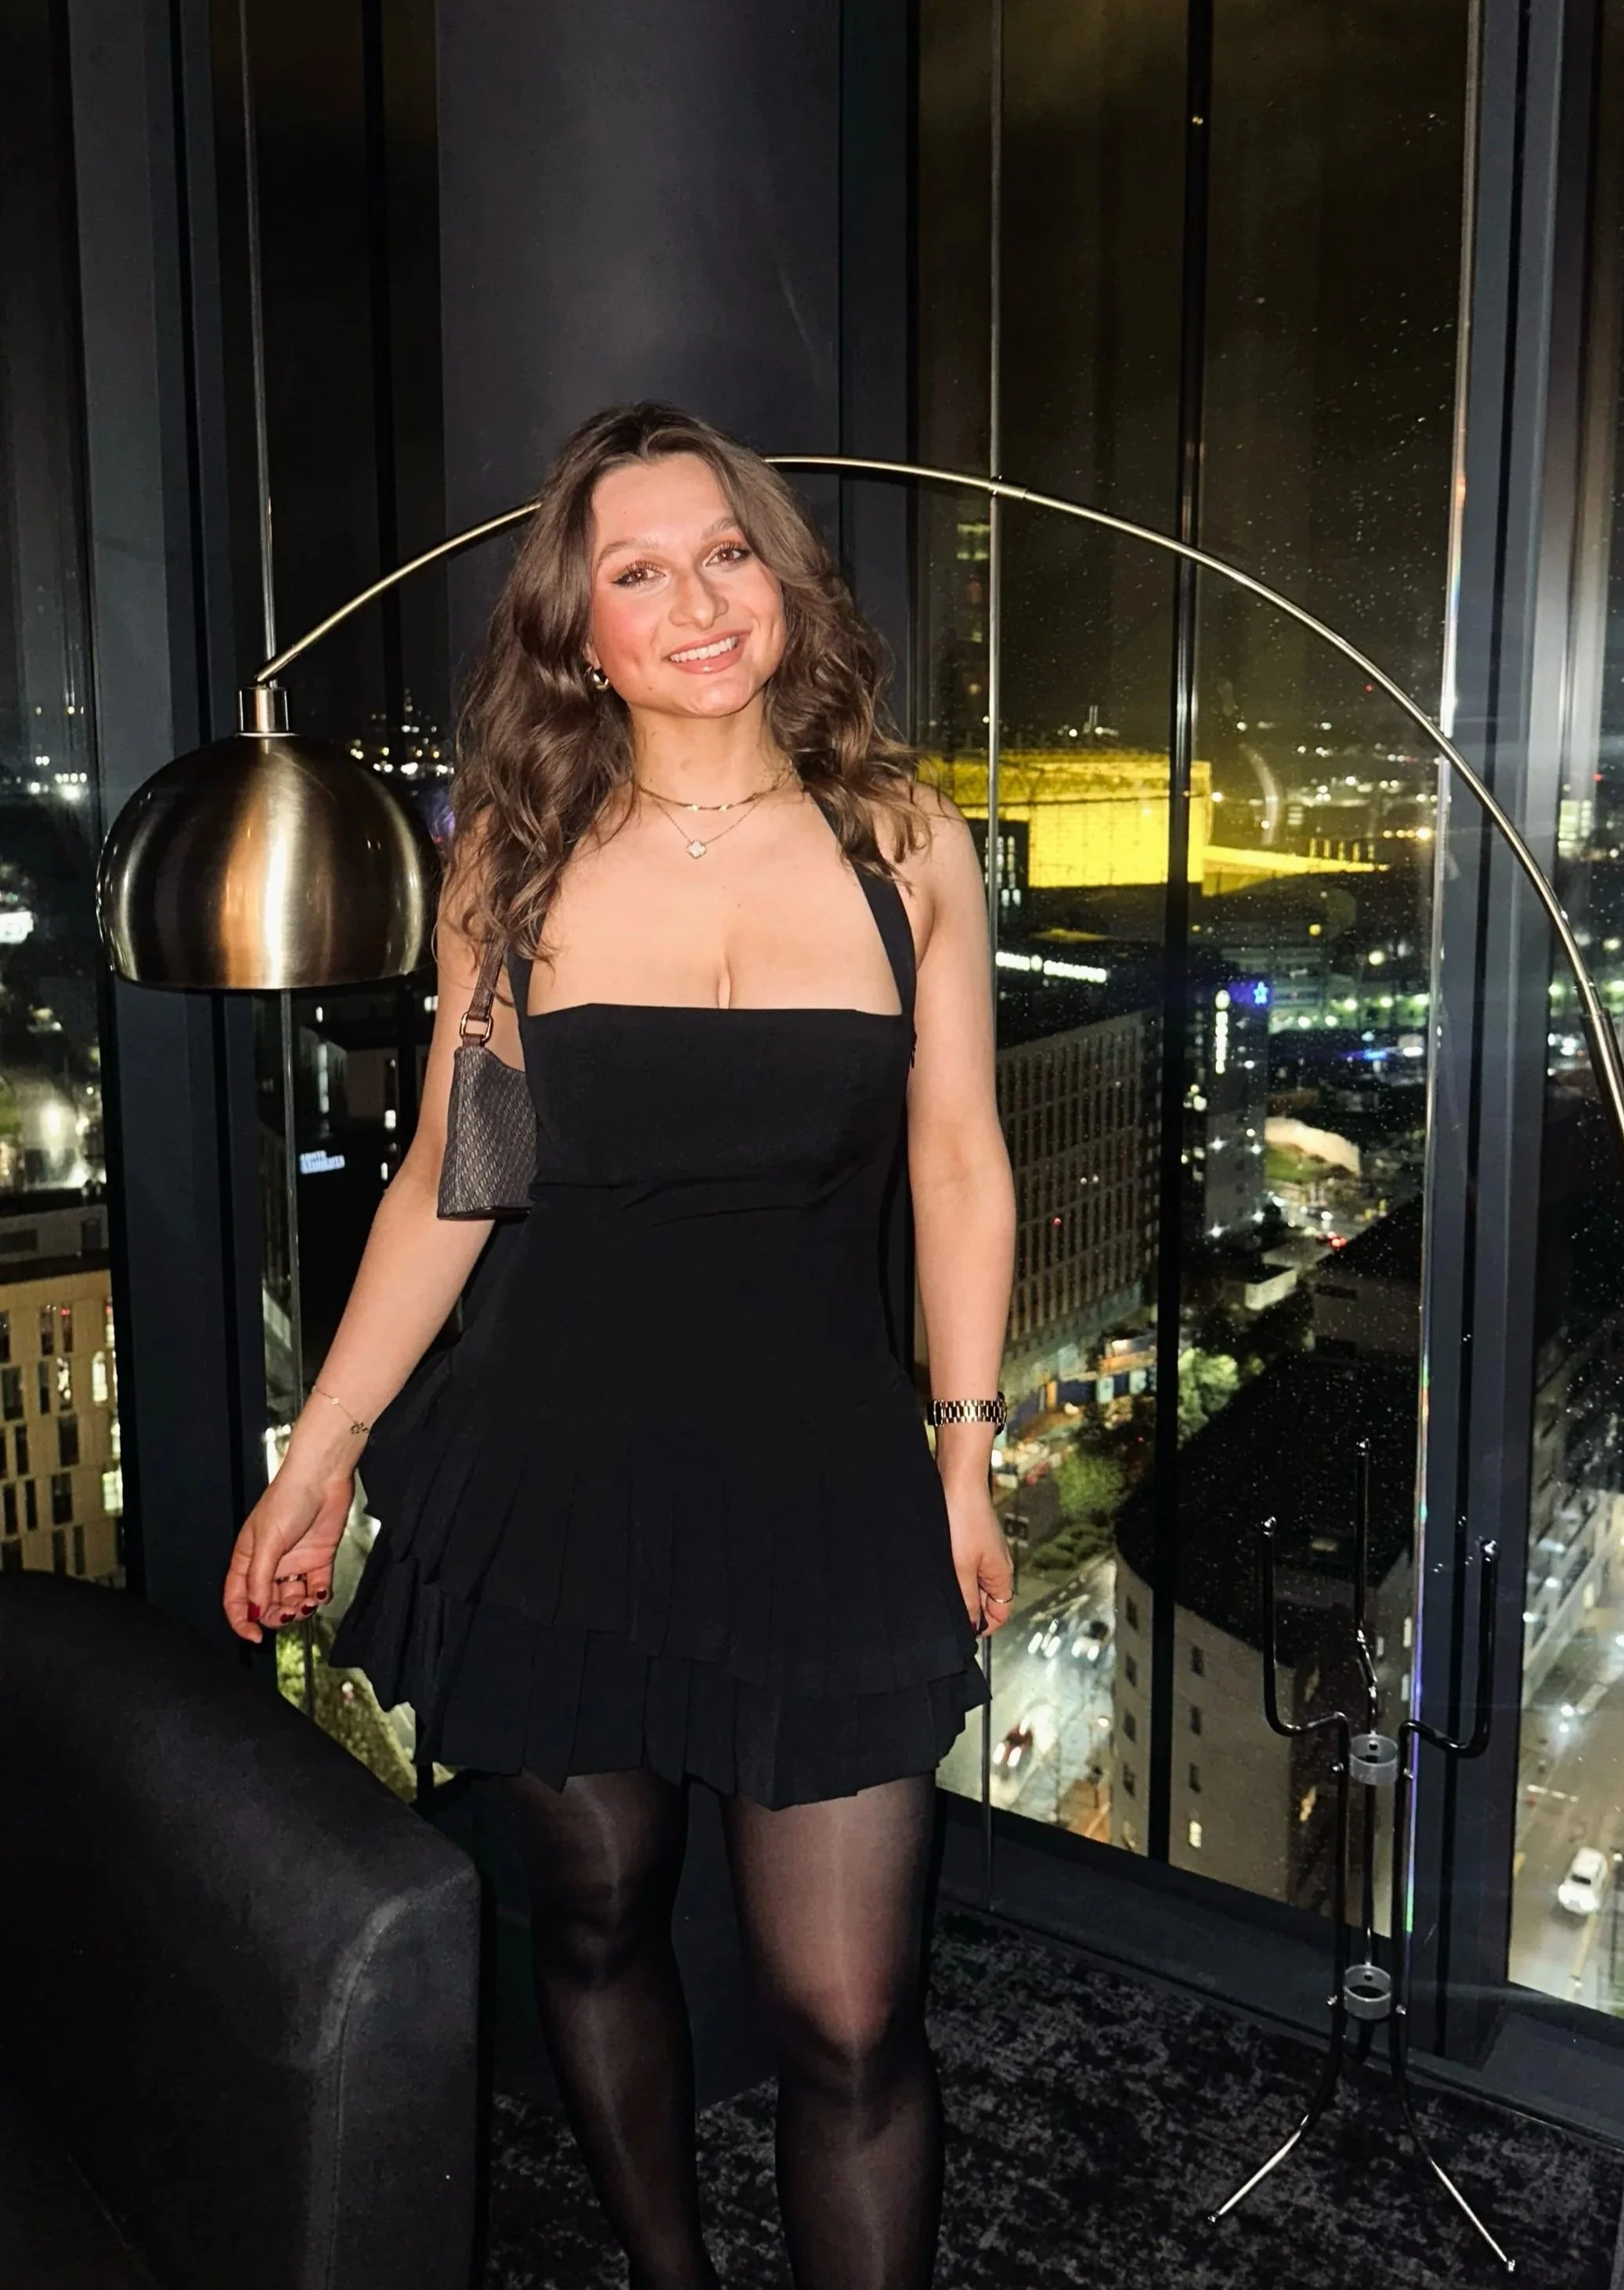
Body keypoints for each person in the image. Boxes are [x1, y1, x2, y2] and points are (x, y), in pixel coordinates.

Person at [222, 402, 1017, 2290]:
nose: (694, 599)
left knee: (845, 2017)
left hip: (818, 1476)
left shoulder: (898, 837)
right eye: (637, 570)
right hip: (550, 1458)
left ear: (779, 576)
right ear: (580, 629)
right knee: (591, 1918)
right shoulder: (517, 850)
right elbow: (454, 1174)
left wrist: (967, 1449)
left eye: (724, 550)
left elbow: (962, 1158)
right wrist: (323, 1447)